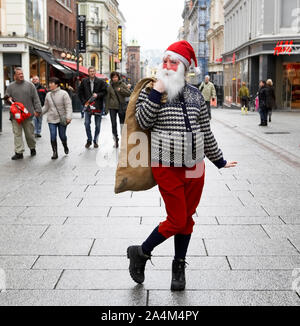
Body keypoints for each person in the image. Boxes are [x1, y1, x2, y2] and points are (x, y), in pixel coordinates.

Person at [127, 40, 237, 291]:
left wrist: (219, 160)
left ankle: (178, 266)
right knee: (176, 219)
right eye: (164, 61)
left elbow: (205, 132)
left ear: (184, 67)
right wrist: (156, 90)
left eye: (172, 61)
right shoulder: (152, 91)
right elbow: (143, 121)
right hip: (165, 165)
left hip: (195, 166)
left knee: (186, 218)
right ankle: (141, 251)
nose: (166, 65)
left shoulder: (196, 94)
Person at [5, 67, 42, 160]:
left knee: (29, 134)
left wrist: (38, 110)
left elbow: (36, 99)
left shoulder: (30, 85)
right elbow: (6, 100)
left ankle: (32, 147)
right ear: (14, 76)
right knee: (17, 134)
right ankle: (19, 152)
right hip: (15, 116)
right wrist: (8, 99)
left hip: (28, 115)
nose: (21, 75)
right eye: (19, 74)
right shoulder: (10, 86)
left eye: (22, 73)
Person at [42, 77, 72, 160]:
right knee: (53, 135)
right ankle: (55, 152)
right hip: (51, 118)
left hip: (62, 118)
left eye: (52, 83)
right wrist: (39, 113)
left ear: (57, 85)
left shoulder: (64, 93)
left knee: (62, 136)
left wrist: (68, 117)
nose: (50, 85)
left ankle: (65, 145)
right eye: (50, 83)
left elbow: (68, 106)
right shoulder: (48, 95)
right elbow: (46, 106)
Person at [78, 66, 107, 149]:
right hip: (88, 106)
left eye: (93, 71)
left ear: (95, 72)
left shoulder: (100, 81)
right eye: (90, 71)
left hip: (97, 105)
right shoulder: (84, 81)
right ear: (88, 72)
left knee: (98, 125)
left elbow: (105, 92)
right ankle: (89, 140)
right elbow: (79, 93)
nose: (92, 73)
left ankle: (95, 141)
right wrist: (84, 102)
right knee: (87, 123)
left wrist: (98, 95)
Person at [106, 72, 132, 148]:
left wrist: (121, 90)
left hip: (121, 107)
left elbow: (129, 93)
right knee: (113, 124)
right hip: (112, 107)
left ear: (118, 77)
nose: (115, 79)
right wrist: (106, 109)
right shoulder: (110, 86)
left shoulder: (122, 84)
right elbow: (107, 97)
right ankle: (116, 140)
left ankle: (123, 140)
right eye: (113, 77)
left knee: (122, 125)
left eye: (116, 77)